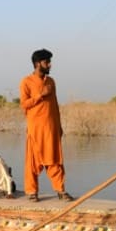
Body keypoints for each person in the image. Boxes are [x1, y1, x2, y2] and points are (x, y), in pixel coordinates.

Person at [20, 49, 74, 202]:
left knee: (55, 160)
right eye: (46, 62)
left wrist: (59, 125)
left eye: (49, 62)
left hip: (51, 128)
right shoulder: (26, 82)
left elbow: (55, 105)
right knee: (33, 162)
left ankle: (60, 190)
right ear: (38, 64)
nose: (50, 65)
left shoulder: (51, 81)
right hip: (35, 129)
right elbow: (24, 104)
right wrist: (40, 95)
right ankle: (32, 192)